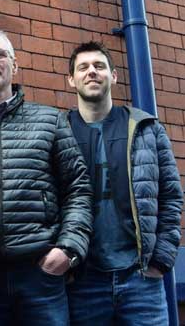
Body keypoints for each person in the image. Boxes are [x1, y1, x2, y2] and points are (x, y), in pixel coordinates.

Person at [0, 29, 93, 326]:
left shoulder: (50, 120)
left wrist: (69, 248)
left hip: (41, 274)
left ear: (15, 65)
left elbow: (78, 188)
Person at [65, 41, 183, 325]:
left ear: (113, 76)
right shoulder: (60, 132)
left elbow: (171, 196)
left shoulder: (146, 128)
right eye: (83, 67)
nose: (92, 72)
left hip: (140, 279)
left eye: (99, 66)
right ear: (71, 80)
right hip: (83, 281)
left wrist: (161, 260)